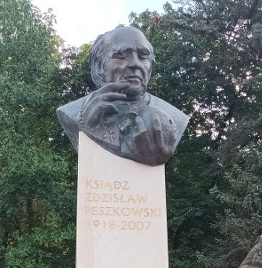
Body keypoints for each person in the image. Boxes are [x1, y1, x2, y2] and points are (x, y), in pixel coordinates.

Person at [56, 26, 189, 166]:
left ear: (150, 67)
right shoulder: (73, 113)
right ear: (99, 66)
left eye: (143, 56)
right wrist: (86, 124)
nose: (135, 64)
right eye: (121, 56)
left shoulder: (175, 117)